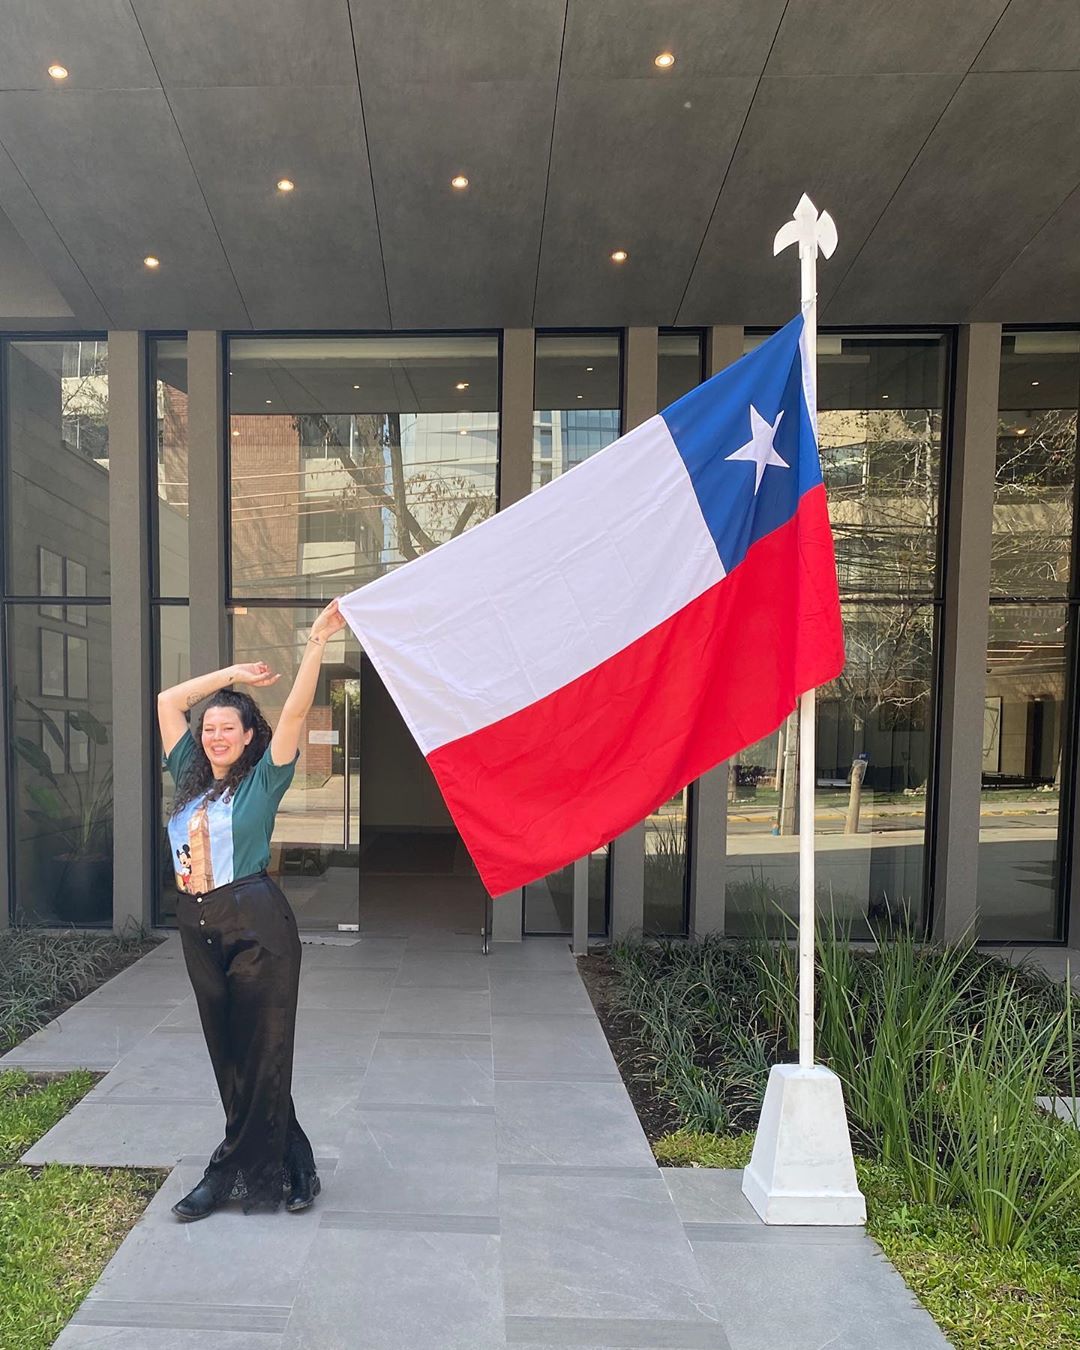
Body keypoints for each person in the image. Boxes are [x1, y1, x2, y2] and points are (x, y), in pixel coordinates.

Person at [156, 597, 347, 1220]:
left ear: (247, 736)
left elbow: (293, 711)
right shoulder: (189, 772)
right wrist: (231, 677)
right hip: (197, 924)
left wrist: (316, 642)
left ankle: (224, 1174)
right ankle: (298, 1166)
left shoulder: (264, 779)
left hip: (256, 922)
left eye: (227, 728)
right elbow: (167, 702)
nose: (215, 736)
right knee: (231, 1053)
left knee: (263, 1052)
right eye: (209, 728)